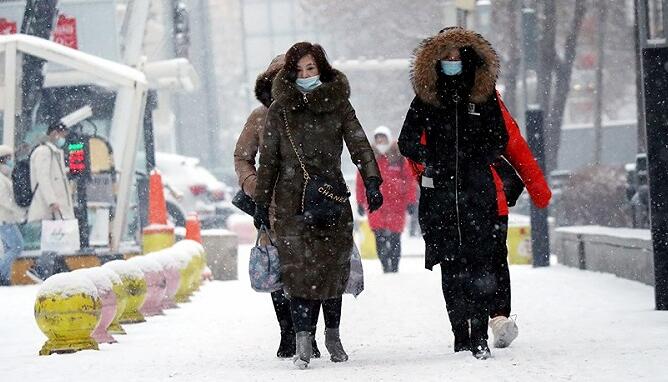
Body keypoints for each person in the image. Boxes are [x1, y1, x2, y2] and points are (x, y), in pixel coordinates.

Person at [398, 27, 551, 360]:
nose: (453, 60)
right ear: (436, 60)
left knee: (482, 265)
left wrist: (474, 158)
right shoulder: (426, 98)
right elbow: (407, 142)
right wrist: (431, 161)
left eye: (458, 54)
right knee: (451, 269)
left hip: (478, 193)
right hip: (441, 198)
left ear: (469, 57)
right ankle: (460, 333)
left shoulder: (484, 97)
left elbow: (503, 139)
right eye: (446, 55)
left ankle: (481, 333)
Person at [254, 42, 382, 368]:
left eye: (310, 68)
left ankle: (333, 335)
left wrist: (372, 180)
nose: (305, 75)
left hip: (331, 199)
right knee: (297, 272)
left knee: (333, 268)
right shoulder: (280, 110)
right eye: (298, 70)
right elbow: (267, 161)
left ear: (321, 68)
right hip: (290, 203)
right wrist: (260, 204)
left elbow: (359, 143)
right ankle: (302, 340)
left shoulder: (338, 104)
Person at [233, 54, 323, 359]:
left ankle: (309, 334)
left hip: (313, 202)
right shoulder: (260, 116)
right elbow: (242, 156)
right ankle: (288, 333)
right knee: (281, 271)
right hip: (273, 207)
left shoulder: (318, 110)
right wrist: (254, 186)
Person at [356, 126, 416, 273]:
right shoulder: (368, 159)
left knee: (395, 238)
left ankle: (394, 267)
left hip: (396, 206)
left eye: (383, 138)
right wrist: (359, 201)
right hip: (375, 206)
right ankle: (385, 266)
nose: (381, 141)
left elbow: (410, 181)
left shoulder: (399, 159)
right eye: (378, 139)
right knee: (379, 237)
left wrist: (411, 201)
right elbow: (360, 182)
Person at [26, 123, 75, 281]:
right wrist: (52, 201)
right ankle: (40, 269)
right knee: (52, 240)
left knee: (55, 240)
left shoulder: (52, 152)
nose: (63, 139)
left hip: (52, 205)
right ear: (54, 133)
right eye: (62, 135)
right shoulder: (44, 152)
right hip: (47, 205)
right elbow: (43, 178)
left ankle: (56, 270)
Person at [0, 145, 25, 286]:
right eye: (8, 159)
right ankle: (2, 274)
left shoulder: (4, 177)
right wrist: (19, 211)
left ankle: (5, 277)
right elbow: (4, 200)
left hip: (5, 219)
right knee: (17, 246)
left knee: (9, 248)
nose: (10, 162)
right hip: (4, 219)